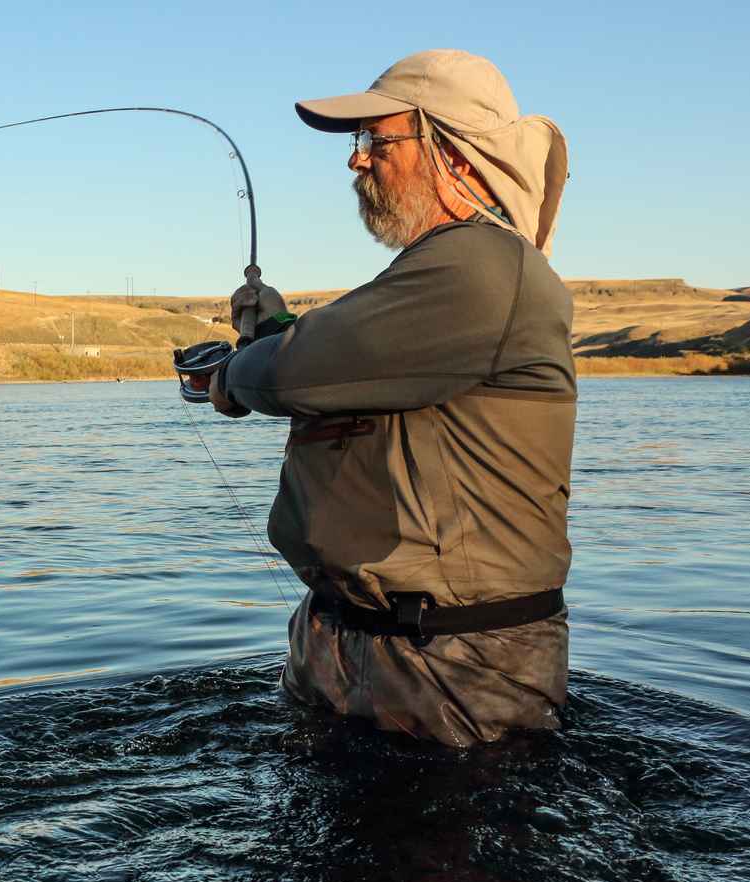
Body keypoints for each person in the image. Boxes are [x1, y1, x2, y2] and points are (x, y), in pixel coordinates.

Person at [194, 50, 576, 747]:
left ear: (455, 153)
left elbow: (294, 373)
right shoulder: (444, 276)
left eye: (377, 139)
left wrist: (228, 377)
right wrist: (274, 332)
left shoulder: (485, 267)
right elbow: (344, 359)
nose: (357, 161)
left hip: (452, 673)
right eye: (357, 141)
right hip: (372, 646)